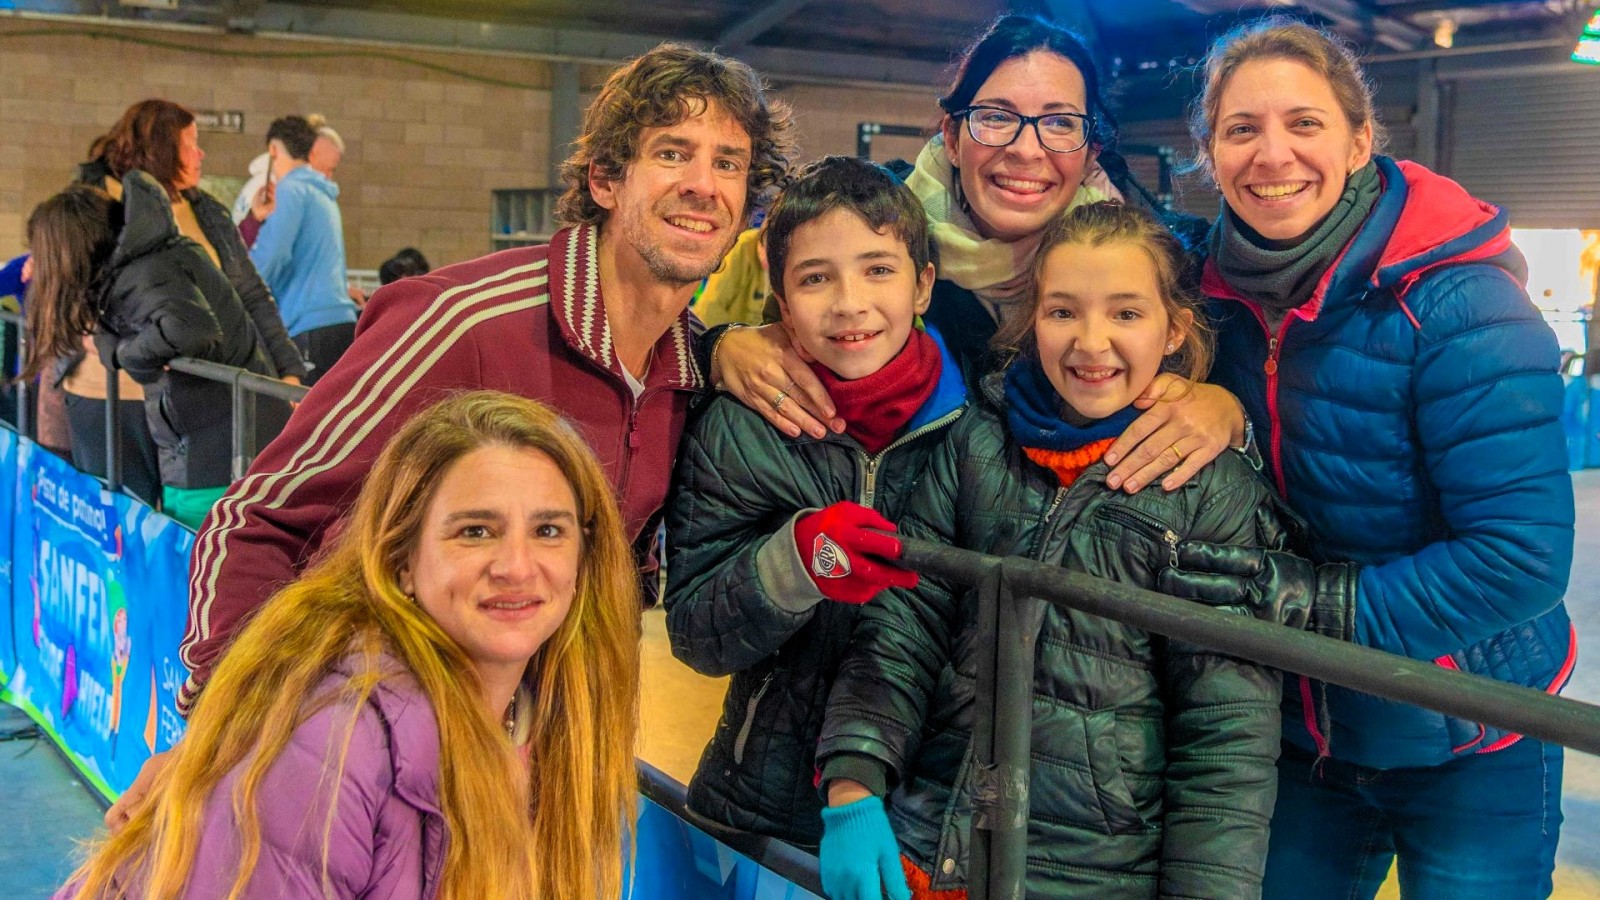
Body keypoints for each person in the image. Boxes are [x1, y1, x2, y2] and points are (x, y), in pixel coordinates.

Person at [100, 43, 795, 828]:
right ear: (605, 179)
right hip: (353, 759)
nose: (703, 184)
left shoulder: (687, 372)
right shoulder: (460, 321)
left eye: (729, 163)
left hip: (519, 785)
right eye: (673, 153)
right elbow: (256, 520)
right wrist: (228, 737)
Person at [1155, 18, 1575, 900]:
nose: (1274, 154)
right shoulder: (1206, 298)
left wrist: (1317, 606)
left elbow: (1521, 557)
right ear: (1209, 153)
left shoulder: (1462, 306)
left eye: (1304, 123)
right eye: (1242, 129)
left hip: (1470, 737)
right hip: (1306, 739)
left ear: (1358, 141)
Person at [816, 201, 1286, 900]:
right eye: (1064, 311)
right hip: (932, 847)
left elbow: (1225, 735)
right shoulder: (978, 442)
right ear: (1032, 318)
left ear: (1174, 328)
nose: (1091, 343)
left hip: (1094, 876)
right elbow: (901, 628)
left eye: (1126, 314)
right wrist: (853, 782)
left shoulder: (1210, 491)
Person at [57, 391, 641, 900]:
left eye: (548, 531)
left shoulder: (547, 716)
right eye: (475, 531)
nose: (517, 566)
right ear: (402, 561)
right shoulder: (336, 737)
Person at [707, 14, 1249, 498]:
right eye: (996, 116)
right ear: (951, 134)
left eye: (1060, 122)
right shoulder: (873, 237)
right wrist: (722, 345)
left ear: (1091, 151)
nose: (1026, 149)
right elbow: (782, 348)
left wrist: (1227, 412)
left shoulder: (1165, 258)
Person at [665, 156, 964, 848]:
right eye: (815, 277)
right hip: (757, 803)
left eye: (878, 270)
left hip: (919, 817)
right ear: (779, 294)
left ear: (923, 285)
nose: (850, 302)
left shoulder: (971, 432)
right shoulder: (741, 428)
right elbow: (693, 633)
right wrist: (792, 564)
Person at [20, 176, 294, 528]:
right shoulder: (145, 261)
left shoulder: (145, 270)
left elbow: (190, 329)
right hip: (209, 441)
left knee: (201, 562)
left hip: (215, 451)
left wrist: (123, 354)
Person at [76, 99, 306, 385]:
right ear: (161, 150)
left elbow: (249, 292)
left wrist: (287, 369)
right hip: (112, 390)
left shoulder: (205, 209)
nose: (201, 154)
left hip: (207, 385)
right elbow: (77, 288)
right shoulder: (98, 206)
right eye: (190, 145)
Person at [247, 115, 361, 384]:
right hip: (337, 322)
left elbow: (273, 255)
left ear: (273, 149)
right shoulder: (322, 194)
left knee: (305, 421)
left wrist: (238, 286)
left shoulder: (291, 190)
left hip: (309, 325)